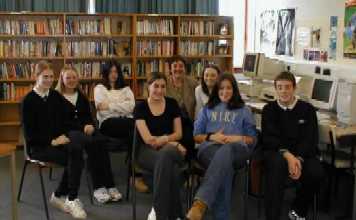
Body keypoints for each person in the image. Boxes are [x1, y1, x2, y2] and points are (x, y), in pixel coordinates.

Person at [187, 73, 257, 220]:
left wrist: (236, 138)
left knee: (227, 150)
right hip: (209, 150)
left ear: (234, 89)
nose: (225, 92)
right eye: (221, 88)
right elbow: (195, 136)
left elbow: (253, 140)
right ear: (216, 90)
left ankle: (200, 203)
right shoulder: (207, 109)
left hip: (237, 150)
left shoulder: (245, 110)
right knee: (224, 164)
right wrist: (212, 136)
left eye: (229, 88)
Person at [21, 61, 87, 219]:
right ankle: (66, 197)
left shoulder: (55, 96)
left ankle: (65, 197)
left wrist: (66, 134)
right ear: (36, 77)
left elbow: (65, 120)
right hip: (38, 147)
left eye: (51, 77)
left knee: (77, 150)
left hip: (57, 141)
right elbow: (30, 135)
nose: (49, 80)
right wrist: (52, 141)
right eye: (45, 77)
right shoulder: (28, 101)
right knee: (74, 159)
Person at [261, 71, 325, 220]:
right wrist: (288, 156)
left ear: (294, 88)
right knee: (276, 167)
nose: (284, 91)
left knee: (316, 172)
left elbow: (310, 139)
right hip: (278, 153)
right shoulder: (269, 110)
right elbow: (269, 138)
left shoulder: (307, 109)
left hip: (302, 155)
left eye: (287, 87)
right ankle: (272, 216)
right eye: (280, 87)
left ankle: (298, 210)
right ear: (275, 89)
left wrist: (299, 159)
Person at [55, 66, 122, 204]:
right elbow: (60, 122)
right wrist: (83, 127)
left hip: (86, 129)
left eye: (74, 77)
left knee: (101, 141)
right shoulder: (56, 98)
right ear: (62, 79)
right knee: (91, 144)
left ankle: (110, 184)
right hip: (68, 133)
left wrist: (91, 125)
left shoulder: (82, 96)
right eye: (68, 77)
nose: (72, 80)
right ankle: (98, 187)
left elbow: (88, 116)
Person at [134, 72, 187, 220]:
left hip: (170, 151)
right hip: (147, 151)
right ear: (148, 87)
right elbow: (148, 140)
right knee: (172, 169)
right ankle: (176, 214)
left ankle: (158, 211)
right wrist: (172, 142)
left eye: (163, 86)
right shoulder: (140, 107)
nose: (159, 90)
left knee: (166, 155)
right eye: (155, 86)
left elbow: (179, 133)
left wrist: (167, 141)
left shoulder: (172, 104)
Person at [94, 60, 135, 143]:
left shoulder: (126, 89)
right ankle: (131, 155)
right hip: (108, 123)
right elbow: (103, 112)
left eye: (116, 71)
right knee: (134, 128)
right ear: (106, 73)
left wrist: (109, 105)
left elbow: (131, 107)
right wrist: (123, 104)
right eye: (110, 72)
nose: (113, 74)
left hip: (127, 120)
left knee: (137, 126)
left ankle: (131, 155)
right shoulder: (99, 88)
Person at [166, 55, 198, 159]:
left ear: (185, 68)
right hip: (170, 121)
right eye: (175, 66)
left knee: (189, 137)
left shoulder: (193, 83)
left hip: (188, 121)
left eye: (181, 66)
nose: (178, 69)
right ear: (170, 68)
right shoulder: (164, 83)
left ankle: (188, 168)